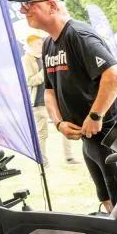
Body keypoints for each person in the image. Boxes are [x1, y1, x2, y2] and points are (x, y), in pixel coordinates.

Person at [7, 0, 117, 212]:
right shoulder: (48, 44)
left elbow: (114, 74)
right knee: (105, 197)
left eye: (28, 4)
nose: (23, 10)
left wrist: (95, 115)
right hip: (90, 139)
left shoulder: (78, 35)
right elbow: (50, 90)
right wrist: (59, 122)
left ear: (52, 5)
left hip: (112, 134)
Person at [20, 32, 81, 167]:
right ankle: (43, 161)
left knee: (66, 125)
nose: (41, 46)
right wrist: (46, 71)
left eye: (41, 43)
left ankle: (69, 157)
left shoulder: (46, 56)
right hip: (39, 102)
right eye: (38, 44)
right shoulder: (26, 59)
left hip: (55, 99)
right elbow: (30, 80)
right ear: (31, 45)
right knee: (42, 133)